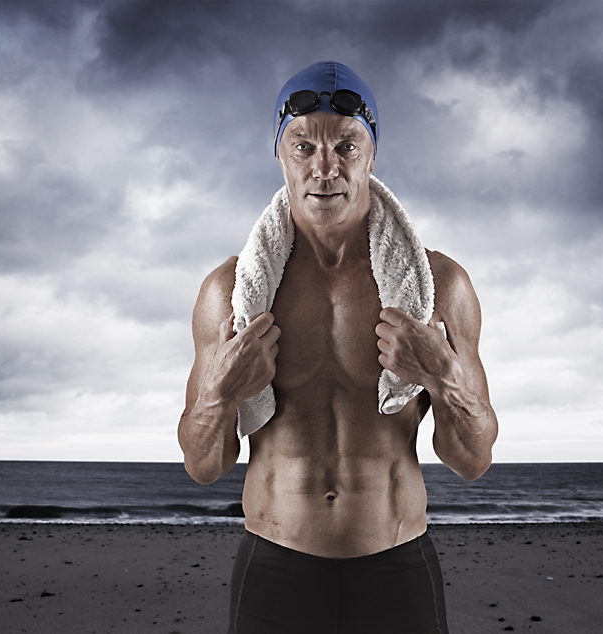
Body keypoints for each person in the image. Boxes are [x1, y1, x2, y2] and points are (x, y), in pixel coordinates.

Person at [178, 61, 498, 634]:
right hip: (275, 565)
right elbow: (204, 465)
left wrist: (443, 377)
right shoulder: (229, 293)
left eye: (346, 145)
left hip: (397, 566)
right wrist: (221, 393)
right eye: (303, 145)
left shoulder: (439, 286)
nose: (325, 167)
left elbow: (472, 461)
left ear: (372, 155)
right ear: (280, 155)